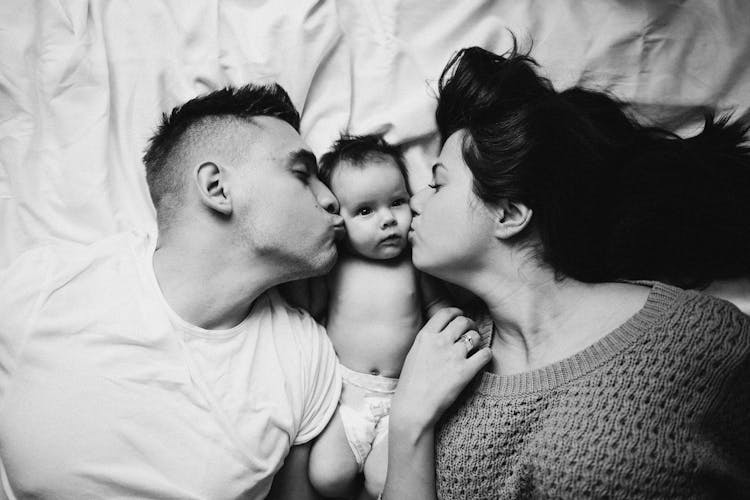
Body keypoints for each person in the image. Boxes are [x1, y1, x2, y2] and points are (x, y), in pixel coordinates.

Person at [382, 44, 750, 499]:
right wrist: (410, 421)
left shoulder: (698, 335)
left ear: (510, 213)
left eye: (438, 183)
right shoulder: (442, 363)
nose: (415, 201)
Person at [0, 84, 347, 499]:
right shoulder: (45, 288)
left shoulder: (306, 356)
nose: (331, 200)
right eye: (301, 173)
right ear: (217, 187)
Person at [305, 134, 458, 499]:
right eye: (365, 211)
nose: (388, 219)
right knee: (327, 475)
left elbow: (437, 312)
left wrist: (453, 328)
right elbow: (311, 311)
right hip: (345, 396)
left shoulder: (418, 261)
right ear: (338, 222)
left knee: (381, 481)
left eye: (397, 202)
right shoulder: (334, 265)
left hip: (399, 399)